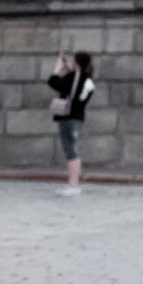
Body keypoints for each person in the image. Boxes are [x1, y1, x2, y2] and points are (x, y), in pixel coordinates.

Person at [47, 52, 95, 197]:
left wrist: (57, 70)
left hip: (68, 118)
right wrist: (69, 71)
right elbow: (76, 91)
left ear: (76, 63)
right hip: (79, 117)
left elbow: (53, 83)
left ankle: (73, 186)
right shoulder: (88, 80)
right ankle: (73, 184)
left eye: (72, 61)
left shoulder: (72, 77)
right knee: (72, 148)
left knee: (70, 150)